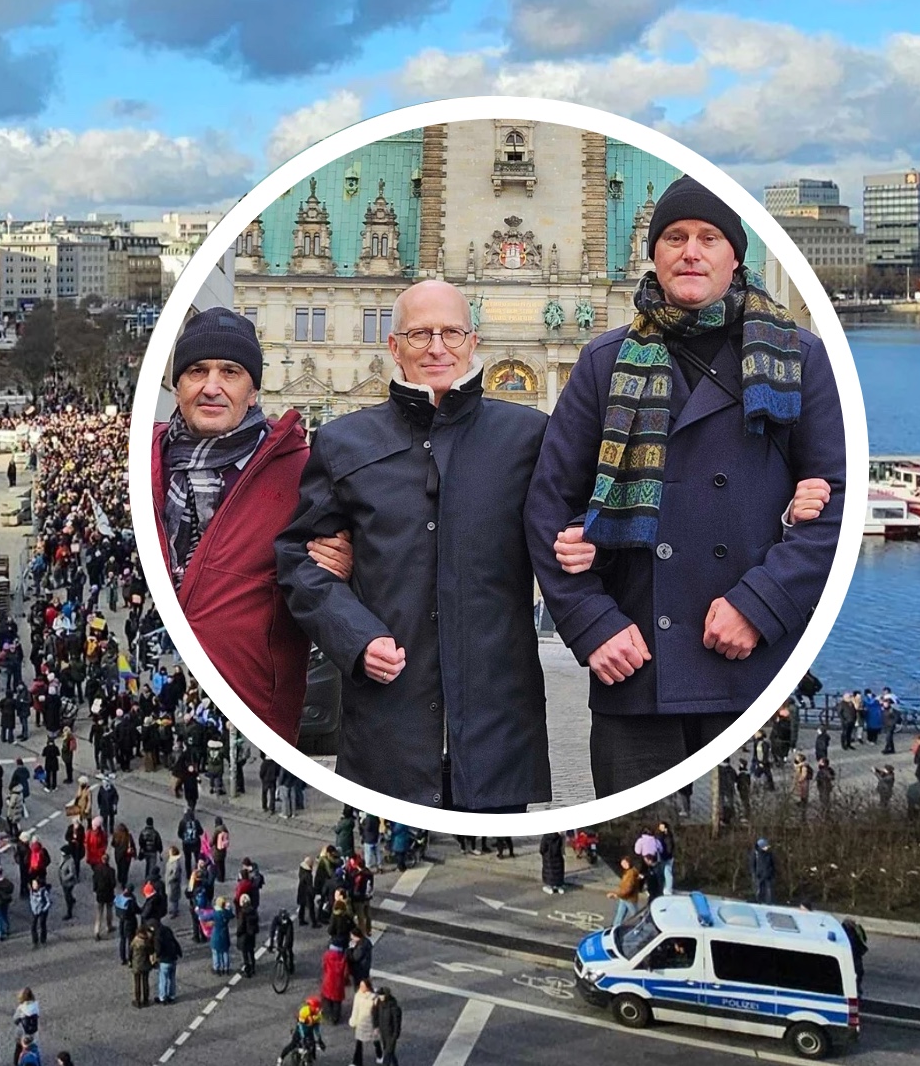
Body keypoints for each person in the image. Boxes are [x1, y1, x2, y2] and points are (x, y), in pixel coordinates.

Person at [529, 175, 846, 796]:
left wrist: (759, 606)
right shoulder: (603, 361)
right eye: (675, 237)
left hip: (749, 665)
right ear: (655, 254)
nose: (690, 251)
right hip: (638, 663)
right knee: (634, 853)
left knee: (734, 861)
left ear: (735, 257)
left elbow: (835, 503)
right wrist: (592, 624)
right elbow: (548, 507)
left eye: (708, 237)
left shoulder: (800, 358)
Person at [280, 280, 552, 811]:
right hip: (389, 728)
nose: (436, 347)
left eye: (450, 332)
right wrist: (354, 637)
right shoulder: (342, 441)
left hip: (497, 728)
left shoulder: (529, 435)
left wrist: (584, 545)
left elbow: (571, 527)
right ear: (393, 346)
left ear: (474, 343)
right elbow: (299, 560)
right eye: (420, 333)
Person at [150, 308, 325, 742]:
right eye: (196, 371)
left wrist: (345, 562)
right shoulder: (145, 459)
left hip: (256, 714)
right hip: (161, 691)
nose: (211, 387)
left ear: (253, 391)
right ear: (176, 387)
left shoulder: (305, 471)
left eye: (230, 371)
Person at [749, 837, 778, 904]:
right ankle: (758, 901)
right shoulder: (755, 854)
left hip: (768, 875)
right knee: (759, 890)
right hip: (759, 875)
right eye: (765, 846)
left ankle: (769, 902)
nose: (767, 848)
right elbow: (752, 865)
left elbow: (772, 864)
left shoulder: (769, 854)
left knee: (769, 890)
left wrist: (772, 873)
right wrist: (754, 874)